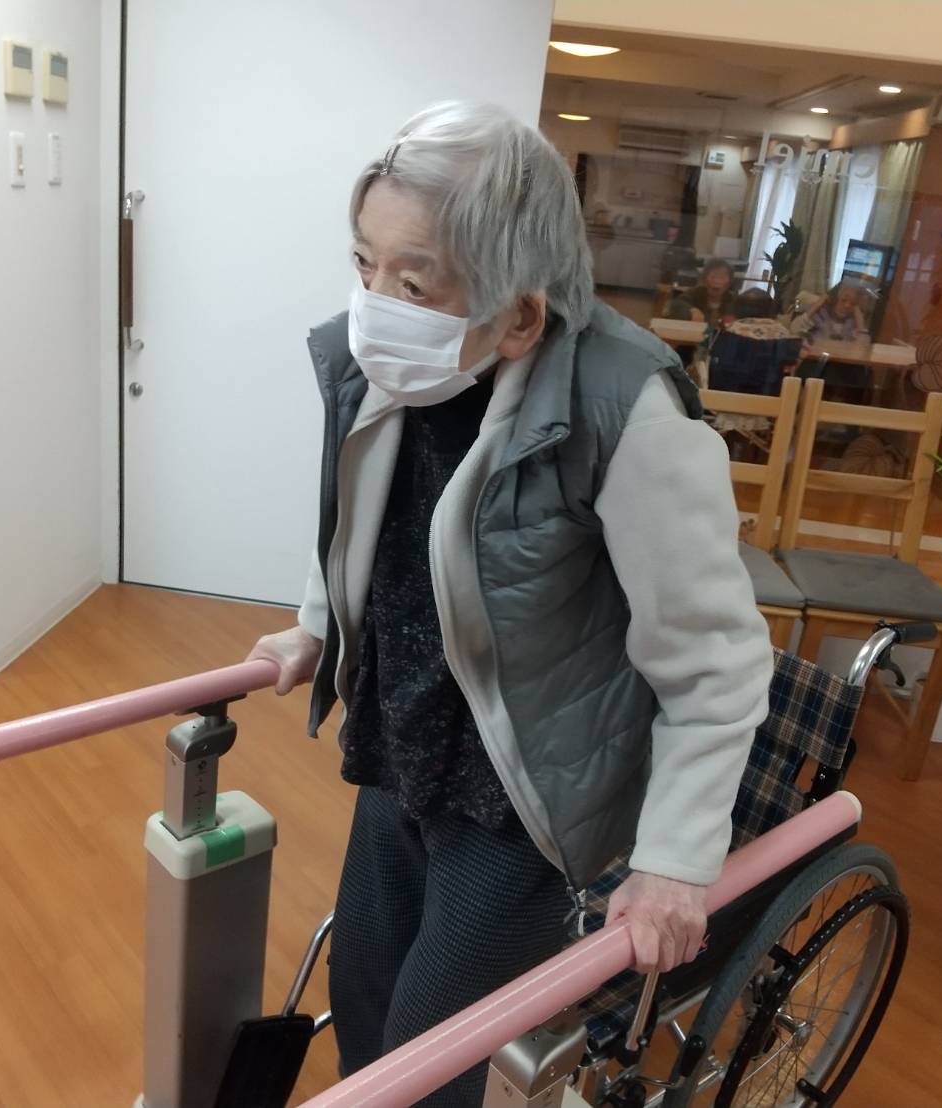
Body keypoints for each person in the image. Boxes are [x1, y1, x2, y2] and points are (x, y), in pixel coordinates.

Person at [247, 102, 771, 1107]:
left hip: (522, 791)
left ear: (520, 316)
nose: (373, 305)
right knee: (364, 1006)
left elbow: (716, 661)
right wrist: (316, 625)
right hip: (398, 741)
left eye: (413, 283)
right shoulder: (378, 361)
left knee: (425, 1058)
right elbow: (358, 518)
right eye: (363, 264)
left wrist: (674, 862)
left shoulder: (627, 413)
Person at [795, 280, 868, 342]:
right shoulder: (820, 314)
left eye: (853, 303)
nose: (847, 305)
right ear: (836, 298)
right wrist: (820, 301)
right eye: (843, 300)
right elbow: (795, 329)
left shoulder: (853, 322)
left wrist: (859, 316)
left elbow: (863, 345)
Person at [686, 257, 737, 324]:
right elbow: (677, 303)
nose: (717, 281)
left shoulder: (732, 300)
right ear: (704, 280)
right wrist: (692, 309)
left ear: (729, 283)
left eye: (722, 277)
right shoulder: (695, 293)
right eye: (713, 277)